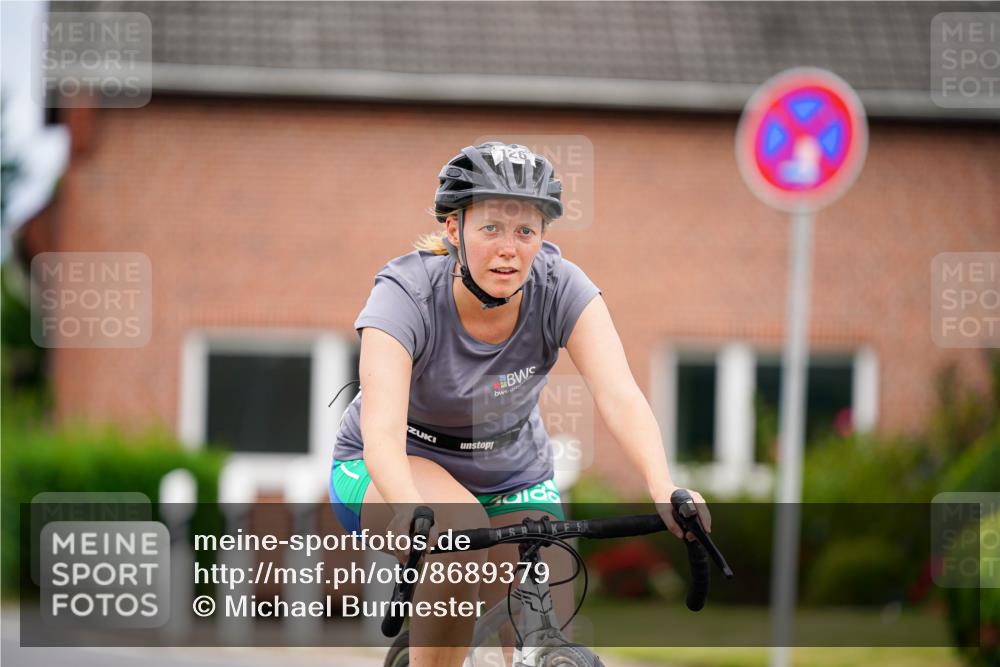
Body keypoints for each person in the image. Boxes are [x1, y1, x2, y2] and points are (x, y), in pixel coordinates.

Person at [329, 141, 711, 667]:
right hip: (395, 464)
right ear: (453, 229)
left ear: (542, 238)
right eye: (490, 228)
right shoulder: (404, 293)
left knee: (546, 620)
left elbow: (619, 394)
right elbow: (382, 432)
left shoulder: (561, 288)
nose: (508, 249)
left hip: (513, 473)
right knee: (457, 541)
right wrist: (406, 503)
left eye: (525, 232)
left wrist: (663, 485)